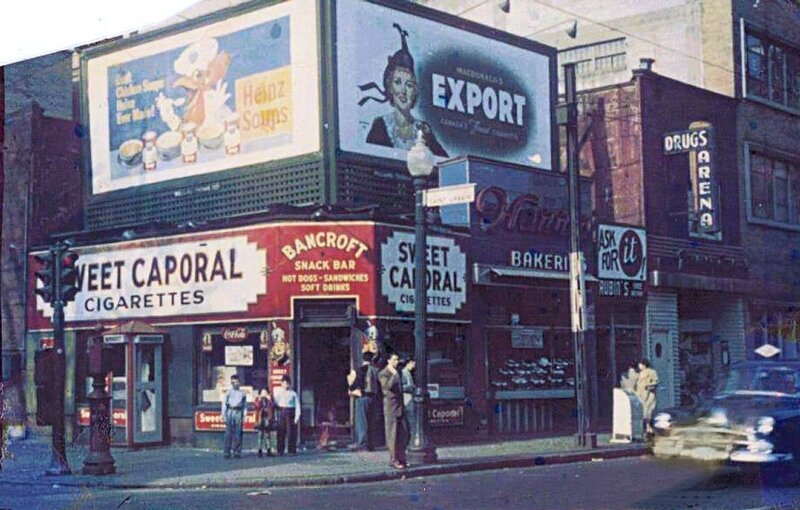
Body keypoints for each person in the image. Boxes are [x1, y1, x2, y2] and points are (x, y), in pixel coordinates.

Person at [359, 23, 448, 157]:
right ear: (390, 87)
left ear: (415, 90)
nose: (403, 91)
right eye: (398, 82)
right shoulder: (380, 125)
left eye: (409, 85)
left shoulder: (423, 129)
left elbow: (446, 164)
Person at [379, 353, 408, 469]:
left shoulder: (398, 372)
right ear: (389, 361)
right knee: (393, 435)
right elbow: (387, 387)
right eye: (395, 359)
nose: (397, 362)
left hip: (400, 407)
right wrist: (394, 375)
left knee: (403, 433)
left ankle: (402, 458)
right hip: (391, 407)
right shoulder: (383, 373)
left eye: (397, 359)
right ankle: (393, 459)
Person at [349, 351, 380, 451]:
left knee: (362, 422)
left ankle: (363, 444)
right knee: (371, 421)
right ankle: (371, 444)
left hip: (362, 397)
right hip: (373, 398)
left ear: (363, 359)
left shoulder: (359, 370)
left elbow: (354, 384)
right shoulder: (376, 370)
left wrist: (351, 385)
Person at [273, 375, 300, 455]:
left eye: (287, 383)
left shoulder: (293, 394)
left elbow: (297, 406)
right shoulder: (278, 393)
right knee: (281, 431)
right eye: (284, 383)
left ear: (290, 384)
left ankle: (291, 450)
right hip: (281, 411)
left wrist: (296, 417)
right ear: (281, 384)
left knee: (291, 432)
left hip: (290, 412)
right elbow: (276, 403)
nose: (285, 385)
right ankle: (280, 450)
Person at [221, 374, 246, 459]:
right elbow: (224, 404)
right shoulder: (228, 392)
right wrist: (223, 414)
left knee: (238, 433)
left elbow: (244, 405)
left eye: (236, 382)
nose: (235, 383)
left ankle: (237, 452)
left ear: (239, 382)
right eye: (233, 382)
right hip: (230, 411)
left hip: (238, 412)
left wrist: (244, 415)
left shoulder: (242, 393)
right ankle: (226, 453)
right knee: (228, 433)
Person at [636, 359, 659, 435]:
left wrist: (648, 386)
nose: (639, 366)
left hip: (649, 395)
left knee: (648, 411)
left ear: (643, 364)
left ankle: (648, 427)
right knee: (642, 411)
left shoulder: (652, 372)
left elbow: (656, 382)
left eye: (640, 364)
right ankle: (644, 428)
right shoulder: (640, 374)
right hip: (640, 395)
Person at [254, 389, 276, 458]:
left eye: (265, 392)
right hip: (260, 419)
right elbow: (256, 406)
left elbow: (273, 407)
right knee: (260, 435)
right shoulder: (258, 399)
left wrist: (269, 400)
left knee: (267, 435)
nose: (264, 394)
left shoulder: (269, 400)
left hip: (267, 419)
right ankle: (259, 450)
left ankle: (268, 450)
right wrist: (260, 399)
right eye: (263, 392)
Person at [401, 356, 416, 446]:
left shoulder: (408, 373)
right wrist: (412, 387)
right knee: (410, 421)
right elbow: (401, 386)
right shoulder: (404, 373)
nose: (414, 366)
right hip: (407, 400)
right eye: (413, 363)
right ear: (409, 363)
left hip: (409, 400)